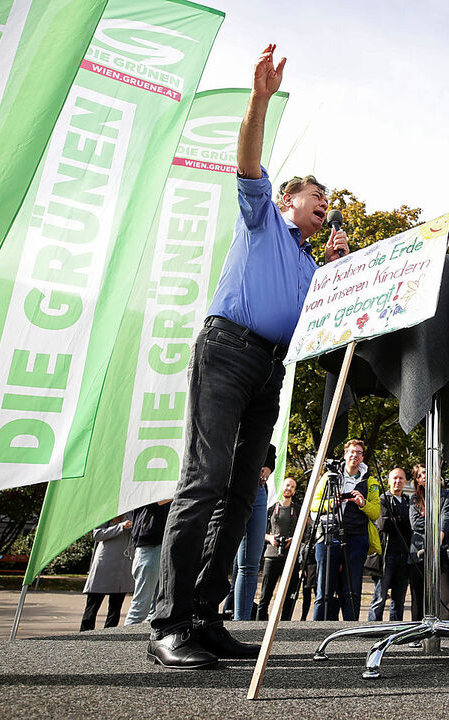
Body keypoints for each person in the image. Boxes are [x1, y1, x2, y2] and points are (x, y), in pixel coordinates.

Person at [148, 44, 350, 669]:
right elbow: (249, 160)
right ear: (289, 199)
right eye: (318, 194)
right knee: (204, 481)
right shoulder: (261, 217)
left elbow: (319, 327)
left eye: (328, 200)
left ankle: (205, 618)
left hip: (271, 369)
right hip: (228, 352)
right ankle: (168, 622)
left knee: (242, 494)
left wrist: (339, 274)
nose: (327, 203)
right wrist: (259, 99)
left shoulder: (312, 264)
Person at [311, 439, 379, 620]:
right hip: (328, 535)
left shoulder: (370, 481)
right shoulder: (329, 477)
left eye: (358, 452)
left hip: (357, 537)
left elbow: (376, 512)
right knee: (324, 590)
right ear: (345, 454)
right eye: (351, 452)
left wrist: (363, 503)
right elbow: (313, 505)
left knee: (352, 590)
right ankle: (316, 629)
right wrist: (330, 503)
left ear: (363, 457)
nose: (354, 455)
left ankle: (351, 628)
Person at [230, 447, 276, 620]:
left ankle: (241, 624)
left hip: (256, 491)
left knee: (250, 565)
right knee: (212, 558)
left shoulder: (258, 424)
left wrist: (268, 466)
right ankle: (202, 617)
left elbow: (269, 448)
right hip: (227, 488)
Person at [410, 463, 449, 618]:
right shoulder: (414, 498)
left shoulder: (446, 495)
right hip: (419, 551)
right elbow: (415, 524)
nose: (424, 476)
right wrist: (436, 520)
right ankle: (416, 631)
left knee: (447, 593)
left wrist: (439, 536)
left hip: (441, 549)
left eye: (426, 472)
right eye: (420, 475)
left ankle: (444, 627)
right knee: (419, 595)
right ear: (417, 481)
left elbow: (446, 518)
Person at [369, 467, 413, 621]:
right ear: (388, 481)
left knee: (399, 599)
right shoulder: (383, 499)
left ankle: (396, 630)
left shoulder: (408, 500)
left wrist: (398, 519)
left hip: (404, 555)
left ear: (405, 481)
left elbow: (412, 525)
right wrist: (402, 521)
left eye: (401, 478)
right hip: (387, 555)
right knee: (380, 597)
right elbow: (384, 524)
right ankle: (373, 629)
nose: (397, 481)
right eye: (394, 478)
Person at [255, 476, 300, 621]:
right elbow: (260, 531)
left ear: (294, 491)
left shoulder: (298, 510)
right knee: (265, 596)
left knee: (289, 596)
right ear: (282, 487)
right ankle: (259, 625)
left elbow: (306, 532)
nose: (288, 489)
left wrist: (294, 539)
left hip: (291, 557)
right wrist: (271, 538)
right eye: (287, 485)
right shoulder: (271, 509)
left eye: (292, 487)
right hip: (271, 556)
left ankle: (285, 624)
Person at [81, 516, 134, 631]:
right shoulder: (108, 512)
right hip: (105, 563)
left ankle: (109, 635)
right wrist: (121, 526)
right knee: (93, 606)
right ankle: (84, 634)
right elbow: (97, 534)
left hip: (123, 564)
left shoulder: (134, 512)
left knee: (115, 608)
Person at [124, 499, 172, 625]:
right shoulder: (151, 490)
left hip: (159, 547)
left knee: (154, 610)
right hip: (149, 548)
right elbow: (157, 500)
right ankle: (125, 640)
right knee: (140, 609)